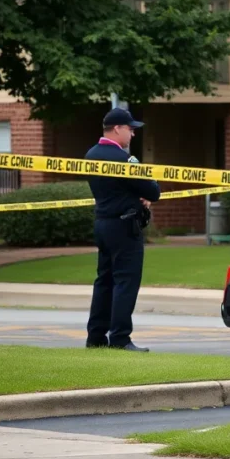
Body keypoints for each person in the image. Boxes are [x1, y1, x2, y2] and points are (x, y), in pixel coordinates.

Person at [85, 108, 161, 352]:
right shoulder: (124, 159)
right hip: (125, 226)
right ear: (117, 128)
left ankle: (96, 336)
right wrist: (143, 193)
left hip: (102, 223)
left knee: (104, 281)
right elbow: (153, 191)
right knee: (125, 282)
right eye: (130, 129)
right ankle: (120, 337)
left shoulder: (91, 154)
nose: (133, 134)